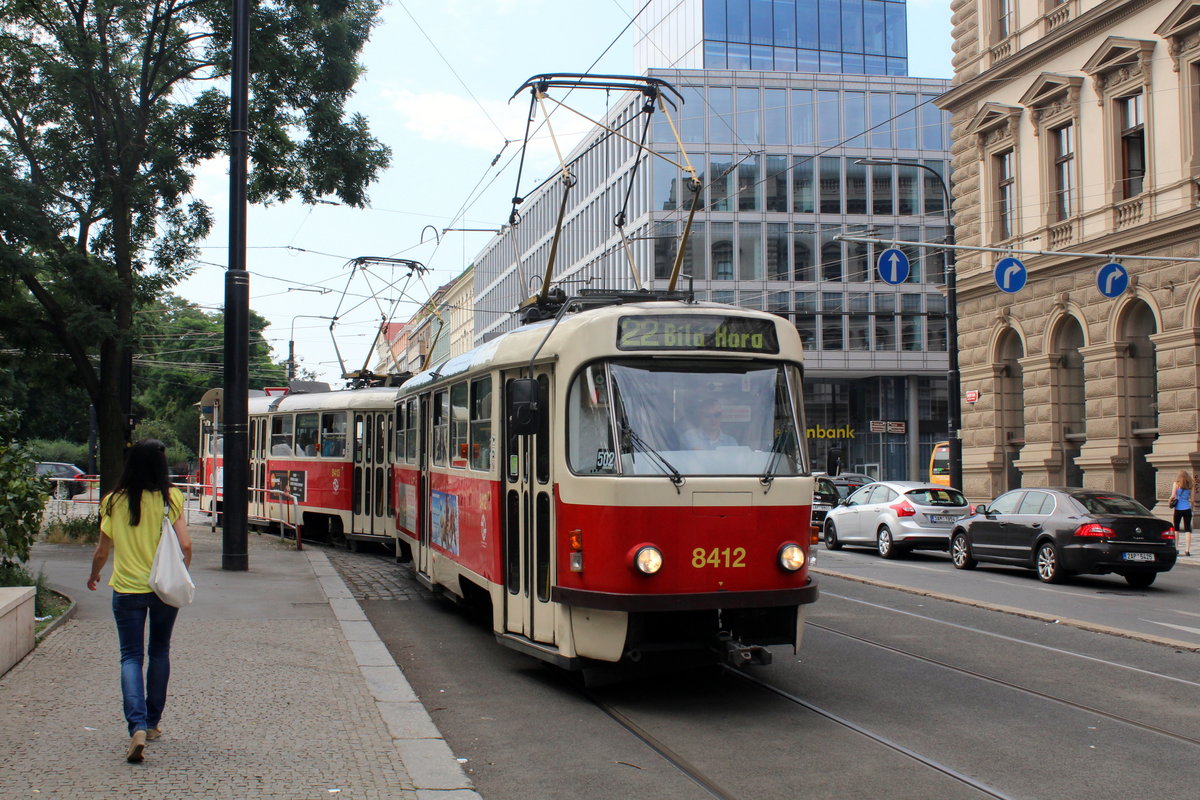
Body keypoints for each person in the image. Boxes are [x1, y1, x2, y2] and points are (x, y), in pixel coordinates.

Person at [87, 439, 192, 763]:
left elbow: (102, 550)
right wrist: (179, 573)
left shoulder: (113, 501)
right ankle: (152, 723)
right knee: (159, 651)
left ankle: (136, 726)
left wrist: (94, 575)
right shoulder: (171, 498)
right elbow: (186, 546)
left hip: (127, 589)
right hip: (162, 590)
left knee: (130, 657)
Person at [1170, 470, 1193, 557]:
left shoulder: (1176, 484)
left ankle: (1176, 548)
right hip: (1187, 509)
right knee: (1188, 529)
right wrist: (1191, 508)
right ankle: (1187, 550)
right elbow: (1192, 499)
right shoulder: (1190, 485)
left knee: (1176, 529)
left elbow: (1173, 496)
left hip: (1178, 509)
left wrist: (1170, 501)